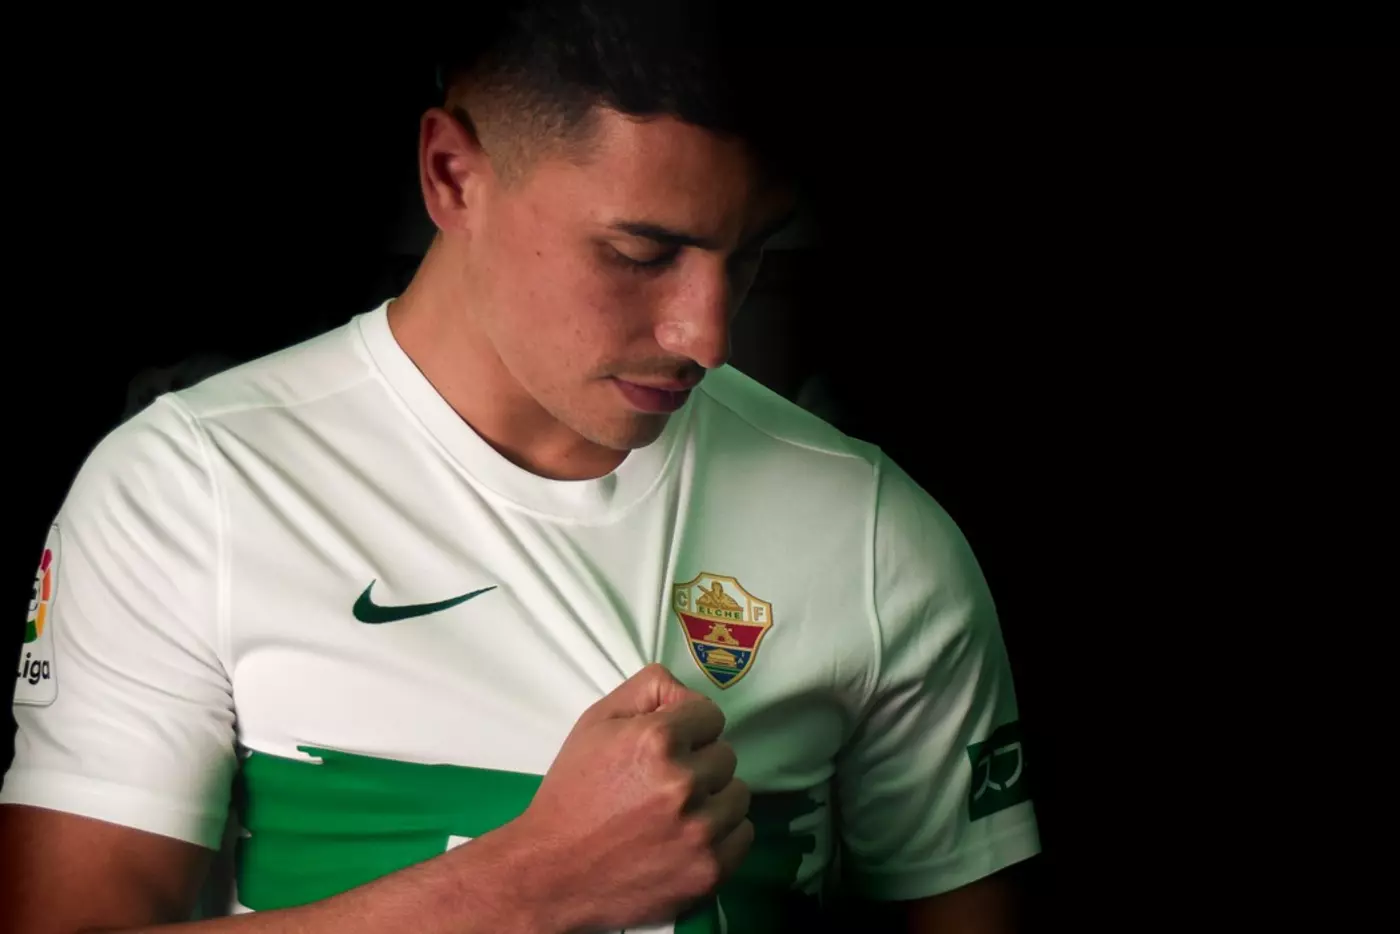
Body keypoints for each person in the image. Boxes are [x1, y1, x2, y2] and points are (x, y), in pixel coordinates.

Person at [1, 3, 1040, 931]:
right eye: (640, 254)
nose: (706, 334)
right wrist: (530, 884)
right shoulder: (193, 491)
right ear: (453, 175)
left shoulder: (869, 528)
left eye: (749, 253)